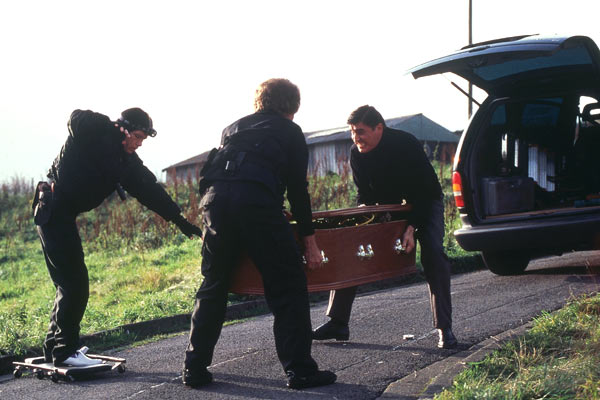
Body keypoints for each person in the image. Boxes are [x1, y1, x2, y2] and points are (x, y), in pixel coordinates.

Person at [182, 78, 337, 390]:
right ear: (292, 107)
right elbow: (297, 188)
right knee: (289, 285)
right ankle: (300, 370)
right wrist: (310, 239)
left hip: (214, 206)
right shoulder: (290, 132)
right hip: (257, 207)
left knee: (213, 286)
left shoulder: (232, 128)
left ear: (260, 102)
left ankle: (194, 368)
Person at [34, 108, 202, 367]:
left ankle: (54, 348)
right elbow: (75, 118)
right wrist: (110, 125)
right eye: (135, 136)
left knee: (69, 283)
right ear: (122, 129)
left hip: (61, 214)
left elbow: (150, 190)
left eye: (142, 140)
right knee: (75, 284)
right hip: (52, 208)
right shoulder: (94, 133)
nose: (138, 144)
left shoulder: (126, 162)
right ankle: (64, 351)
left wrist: (180, 221)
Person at [312, 105, 457, 349]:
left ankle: (445, 328)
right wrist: (361, 221)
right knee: (351, 242)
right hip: (389, 205)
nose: (356, 138)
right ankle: (338, 321)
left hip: (424, 200)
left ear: (379, 128)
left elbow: (422, 191)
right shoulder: (356, 152)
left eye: (361, 131)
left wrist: (411, 228)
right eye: (352, 132)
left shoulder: (405, 144)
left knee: (433, 254)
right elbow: (365, 195)